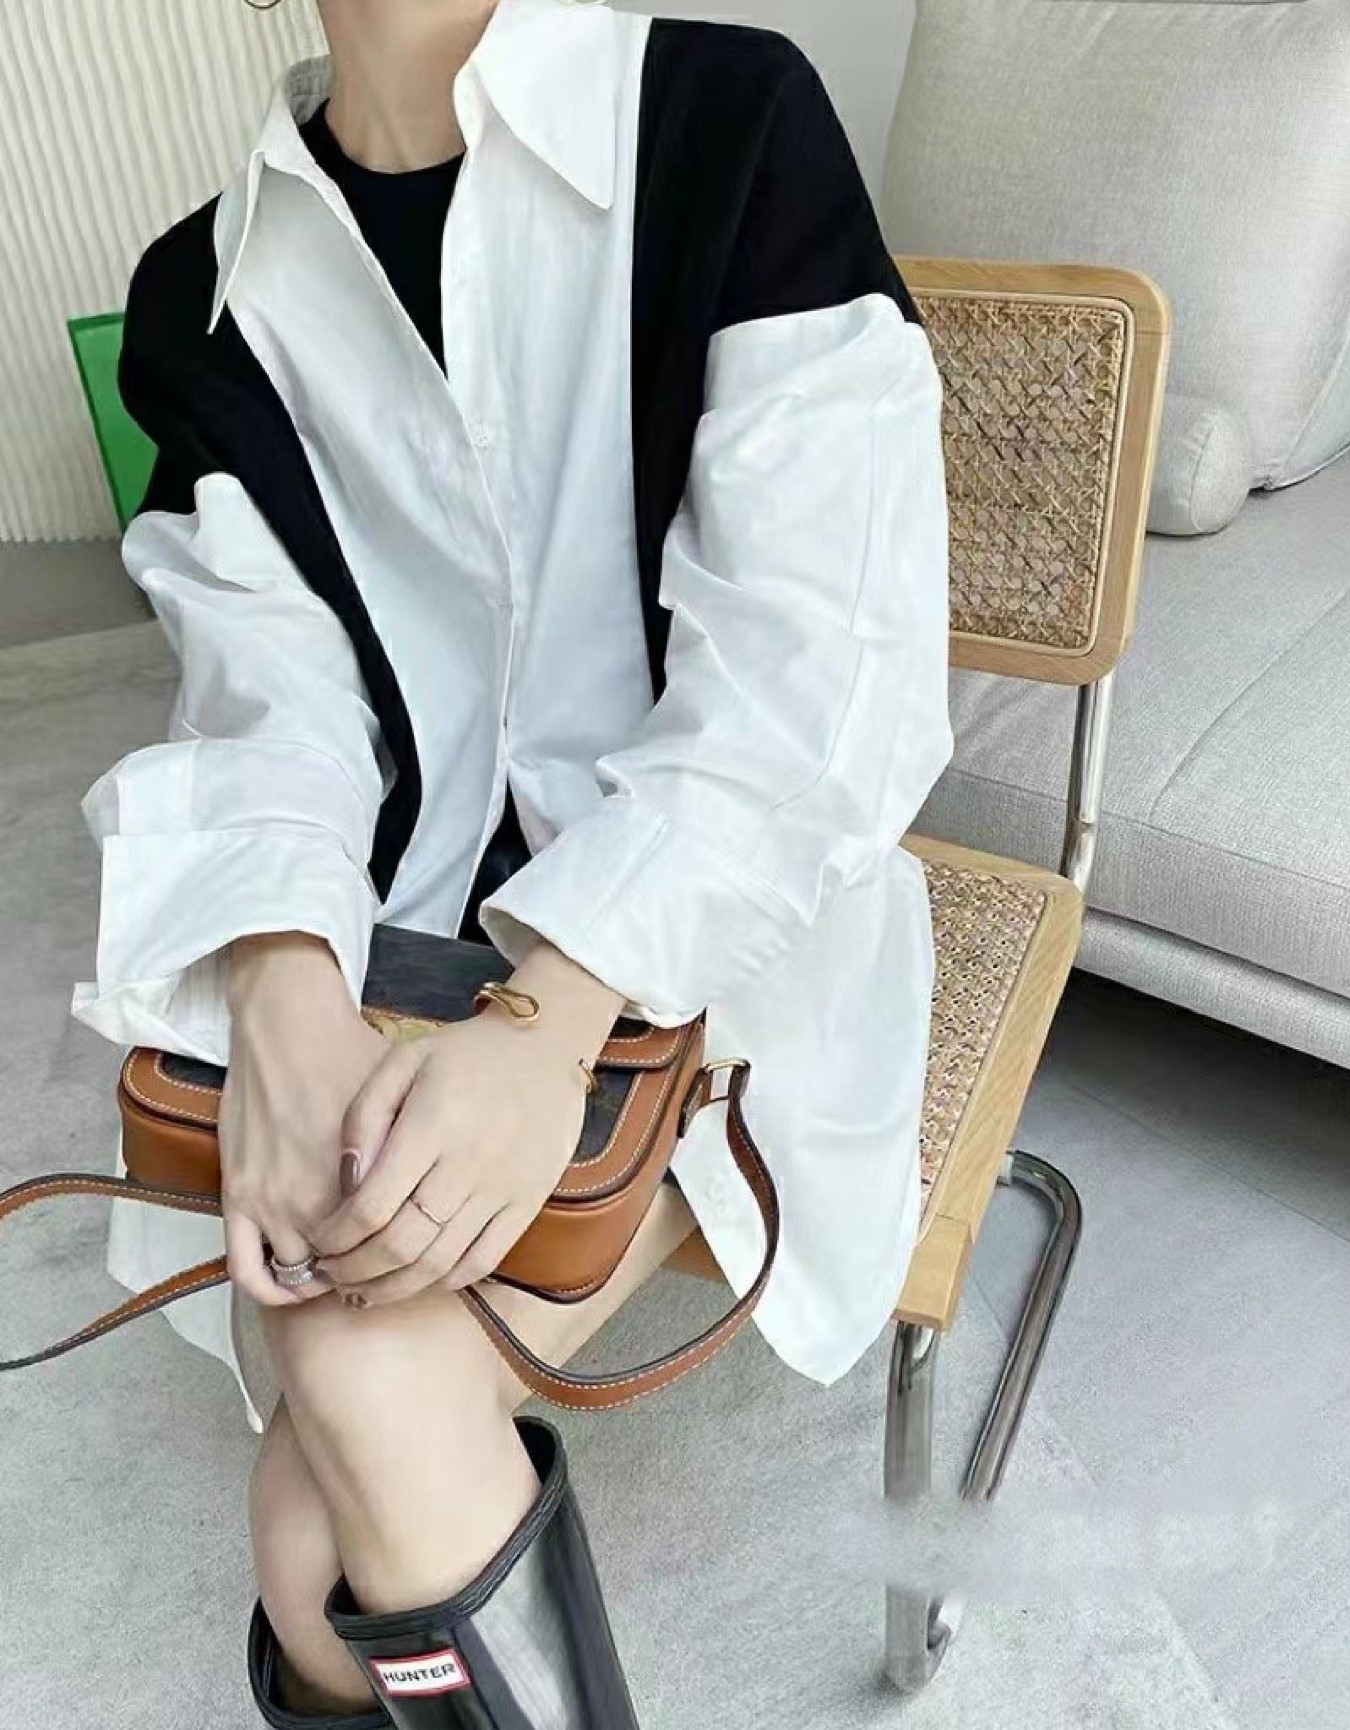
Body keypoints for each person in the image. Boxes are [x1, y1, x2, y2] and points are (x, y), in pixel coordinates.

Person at [70, 0, 953, 1723]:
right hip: (392, 967)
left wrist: (551, 1019)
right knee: (323, 1532)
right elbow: (267, 697)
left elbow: (818, 681)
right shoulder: (207, 290)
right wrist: (284, 993)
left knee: (325, 1522)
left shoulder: (723, 122)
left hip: (719, 937)